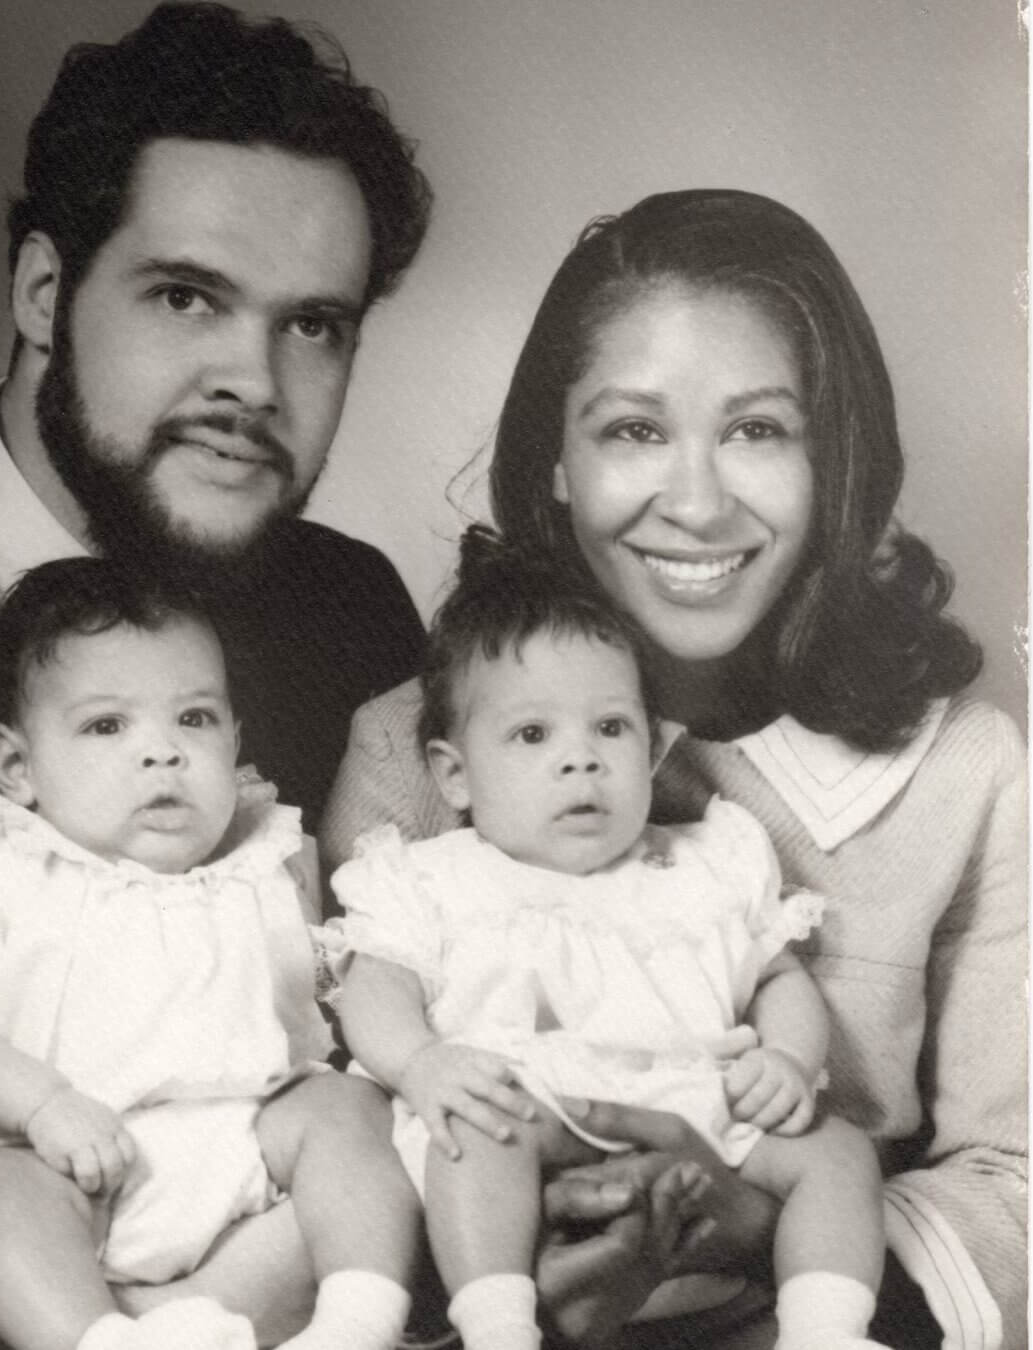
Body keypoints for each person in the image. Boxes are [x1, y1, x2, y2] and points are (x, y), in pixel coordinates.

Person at [320, 190, 1027, 1349]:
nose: (695, 506)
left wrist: (748, 1227)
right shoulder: (410, 746)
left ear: (835, 460)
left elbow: (1018, 1176)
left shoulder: (964, 767)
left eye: (757, 430)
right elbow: (336, 1113)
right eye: (633, 430)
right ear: (552, 460)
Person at [0, 5, 430, 1345]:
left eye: (314, 326)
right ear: (43, 292)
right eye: (186, 296)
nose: (252, 378)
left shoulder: (353, 606)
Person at [333, 532, 890, 1350]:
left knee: (837, 1151)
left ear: (653, 743)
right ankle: (497, 1325)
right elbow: (372, 986)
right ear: (453, 775)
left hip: (701, 1117)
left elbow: (776, 980)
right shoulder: (430, 879)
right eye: (532, 736)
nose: (580, 763)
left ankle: (826, 1332)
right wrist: (421, 1063)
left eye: (609, 729)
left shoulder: (705, 864)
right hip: (528, 1116)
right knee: (469, 1134)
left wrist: (785, 1060)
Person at [0, 558, 421, 1350]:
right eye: (108, 725)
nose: (163, 753)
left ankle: (357, 1321)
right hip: (54, 1158)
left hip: (250, 1143)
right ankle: (99, 1341)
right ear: (15, 765)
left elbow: (327, 994)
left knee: (349, 1113)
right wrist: (42, 1105)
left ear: (235, 736)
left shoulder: (264, 850)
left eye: (195, 719)